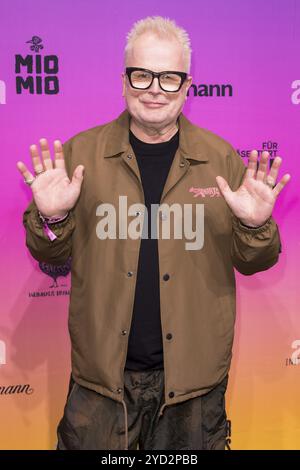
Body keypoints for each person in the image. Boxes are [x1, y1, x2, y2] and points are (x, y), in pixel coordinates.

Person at [17, 16, 290, 450]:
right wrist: (51, 220)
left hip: (194, 389)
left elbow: (255, 260)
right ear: (123, 81)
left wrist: (255, 225)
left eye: (169, 77)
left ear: (187, 85)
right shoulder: (80, 154)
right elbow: (49, 254)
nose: (155, 89)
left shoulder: (221, 160)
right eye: (142, 74)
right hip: (100, 386)